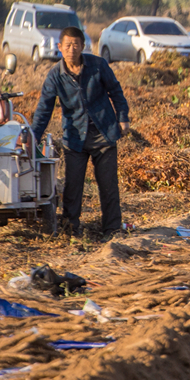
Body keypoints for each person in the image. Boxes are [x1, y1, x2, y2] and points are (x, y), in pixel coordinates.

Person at [31, 26, 130, 237]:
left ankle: (112, 229)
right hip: (75, 139)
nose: (72, 49)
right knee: (73, 188)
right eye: (67, 45)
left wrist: (123, 118)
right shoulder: (55, 76)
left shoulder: (98, 65)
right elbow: (43, 110)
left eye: (76, 44)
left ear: (83, 46)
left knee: (108, 186)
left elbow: (116, 91)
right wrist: (33, 137)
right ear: (59, 47)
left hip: (104, 134)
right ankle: (71, 229)